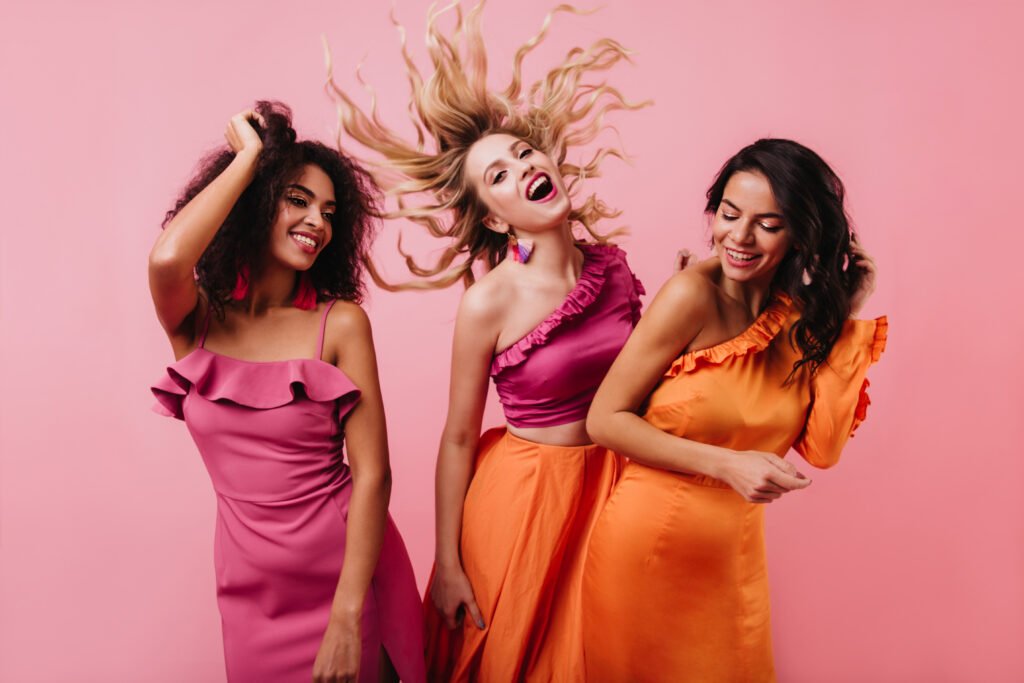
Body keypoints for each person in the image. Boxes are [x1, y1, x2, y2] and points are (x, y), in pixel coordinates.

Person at [324, 4, 646, 680]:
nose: (521, 167)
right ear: (495, 220)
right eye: (497, 175)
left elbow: (647, 387)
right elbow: (458, 439)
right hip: (527, 504)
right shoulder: (489, 301)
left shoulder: (614, 270)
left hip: (615, 492)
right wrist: (447, 561)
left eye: (523, 153)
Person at [582, 138, 887, 682]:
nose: (739, 238)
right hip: (647, 550)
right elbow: (604, 419)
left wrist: (846, 315)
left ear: (802, 234)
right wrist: (727, 464)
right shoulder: (690, 296)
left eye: (767, 224)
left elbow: (823, 450)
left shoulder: (796, 317)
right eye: (728, 214)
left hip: (735, 559)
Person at [148, 101, 425, 683]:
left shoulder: (339, 324)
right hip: (249, 593)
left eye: (329, 211)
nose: (317, 222)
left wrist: (347, 617)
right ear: (256, 202)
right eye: (297, 200)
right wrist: (250, 160)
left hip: (346, 583)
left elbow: (374, 475)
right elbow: (169, 258)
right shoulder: (198, 321)